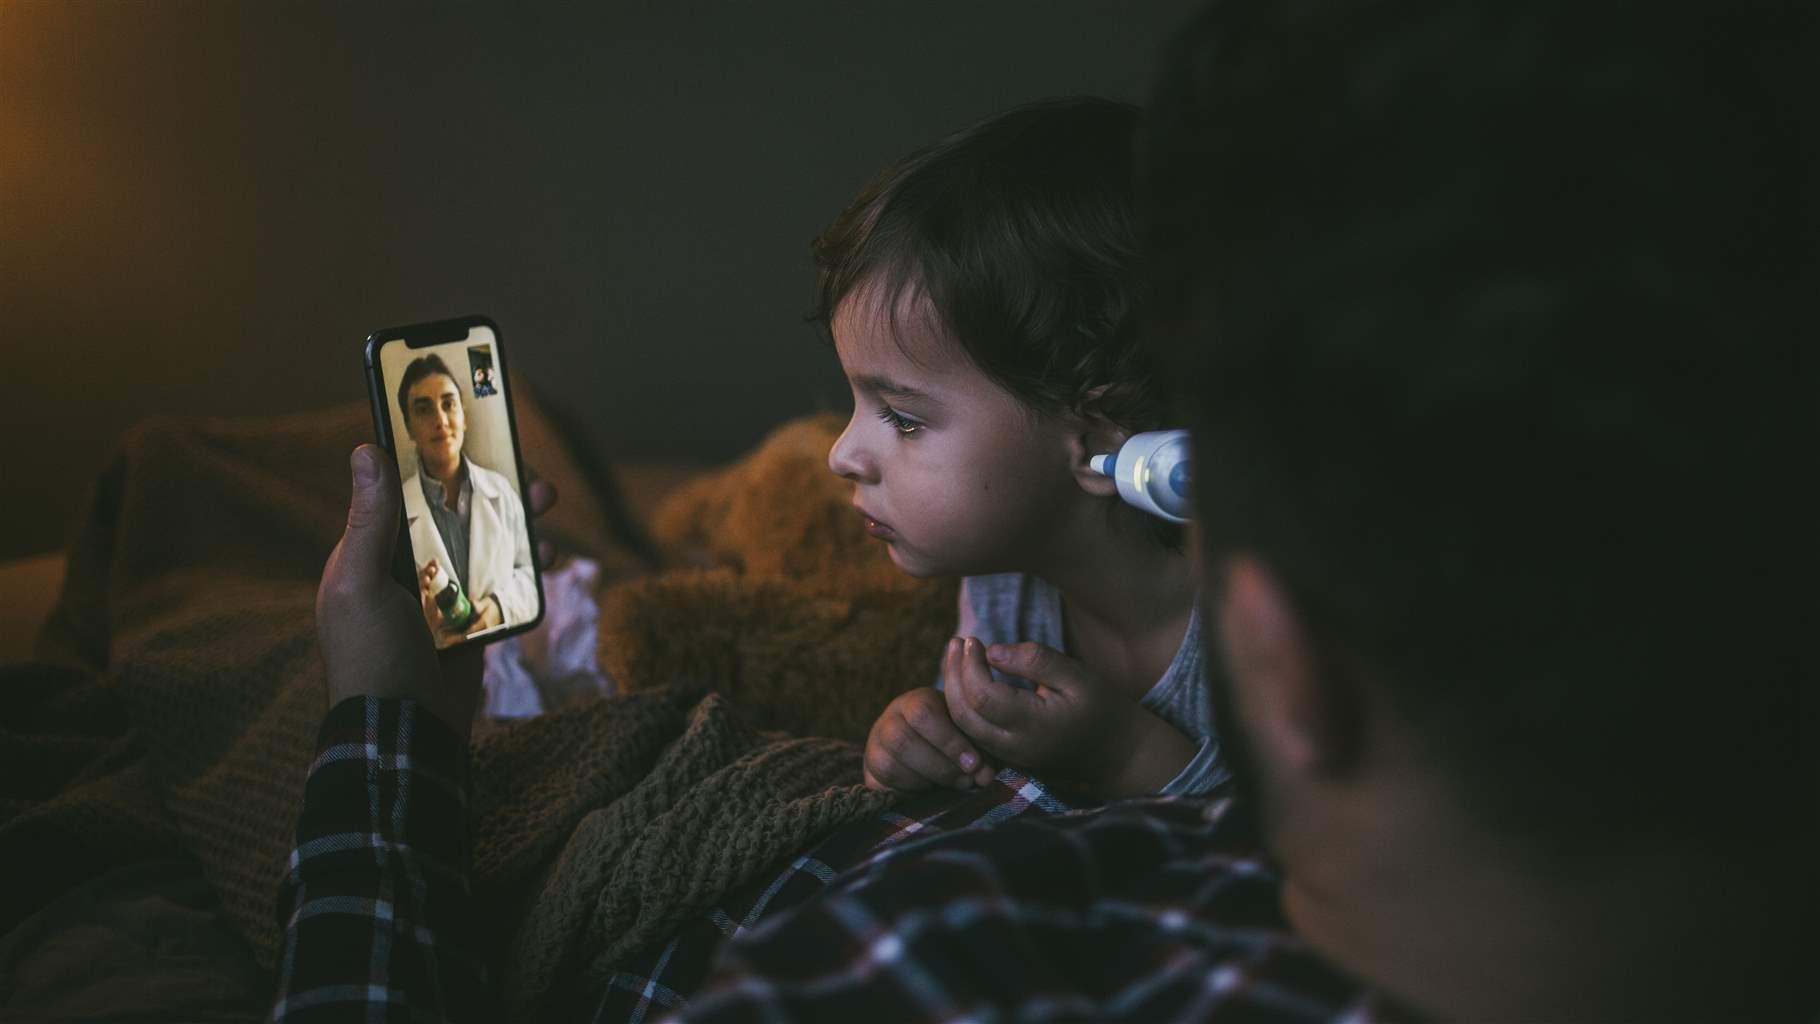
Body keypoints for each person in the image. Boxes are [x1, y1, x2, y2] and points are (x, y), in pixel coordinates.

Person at [278, 0, 1810, 1020]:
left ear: (1286, 664)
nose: (844, 456)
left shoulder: (961, 958)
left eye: (900, 415)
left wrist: (385, 725)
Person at [819, 98, 1227, 801]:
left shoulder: (1256, 625)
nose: (840, 455)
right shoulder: (1002, 580)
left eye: (904, 418)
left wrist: (1121, 752)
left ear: (1099, 448)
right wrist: (928, 737)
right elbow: (994, 774)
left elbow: (1295, 856)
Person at [395, 353, 535, 647]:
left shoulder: (501, 491)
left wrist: (498, 609)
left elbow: (530, 576)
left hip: (505, 665)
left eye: (449, 404)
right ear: (408, 428)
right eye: (424, 409)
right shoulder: (395, 511)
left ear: (464, 415)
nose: (441, 420)